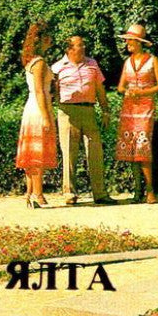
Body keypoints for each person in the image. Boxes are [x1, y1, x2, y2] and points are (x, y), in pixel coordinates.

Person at [51, 34, 113, 205]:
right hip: (67, 111)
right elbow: (51, 92)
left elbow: (100, 89)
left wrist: (106, 111)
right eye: (79, 45)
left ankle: (100, 194)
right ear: (69, 49)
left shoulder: (92, 64)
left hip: (89, 110)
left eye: (83, 44)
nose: (83, 47)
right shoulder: (57, 68)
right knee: (69, 153)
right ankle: (69, 193)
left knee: (95, 152)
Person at [115, 23, 158, 204]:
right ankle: (137, 190)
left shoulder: (152, 61)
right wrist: (126, 91)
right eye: (127, 40)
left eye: (131, 40)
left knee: (143, 148)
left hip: (145, 108)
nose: (128, 43)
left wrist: (142, 92)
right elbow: (120, 86)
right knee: (131, 149)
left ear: (139, 42)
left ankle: (150, 190)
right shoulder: (127, 62)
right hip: (129, 109)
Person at [15, 21, 57, 208]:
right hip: (39, 107)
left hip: (32, 106)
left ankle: (30, 192)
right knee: (37, 153)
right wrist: (47, 116)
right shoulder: (39, 63)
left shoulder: (31, 61)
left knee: (32, 153)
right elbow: (40, 91)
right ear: (43, 39)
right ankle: (37, 194)